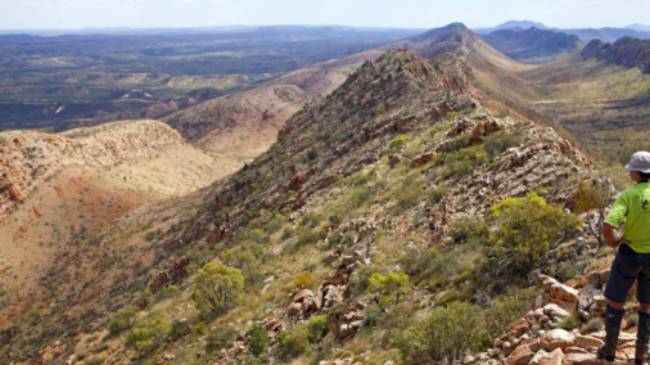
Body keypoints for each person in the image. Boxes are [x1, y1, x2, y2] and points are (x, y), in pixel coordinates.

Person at [598, 151, 650, 364]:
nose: (629, 173)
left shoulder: (628, 195)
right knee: (647, 305)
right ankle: (642, 353)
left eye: (631, 170)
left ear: (637, 172)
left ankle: (610, 351)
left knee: (616, 302)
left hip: (630, 257)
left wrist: (614, 242)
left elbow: (608, 225)